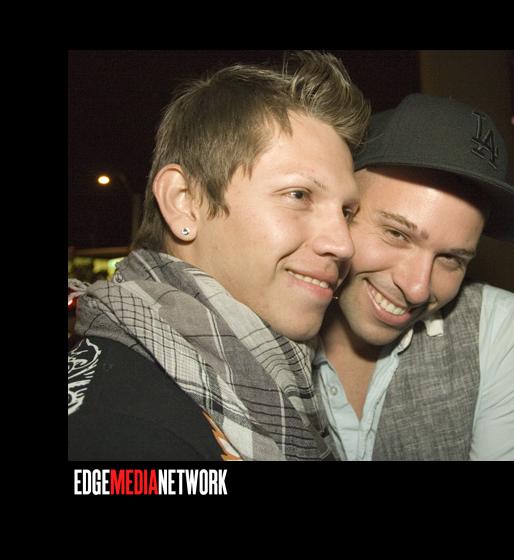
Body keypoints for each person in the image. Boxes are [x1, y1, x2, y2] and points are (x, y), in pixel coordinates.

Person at [68, 51, 370, 461]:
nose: (344, 244)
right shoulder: (118, 431)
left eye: (346, 212)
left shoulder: (273, 382)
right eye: (299, 195)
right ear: (184, 202)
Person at [315, 93, 514, 460]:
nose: (417, 289)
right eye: (397, 233)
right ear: (341, 208)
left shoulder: (495, 329)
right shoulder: (263, 318)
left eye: (450, 258)